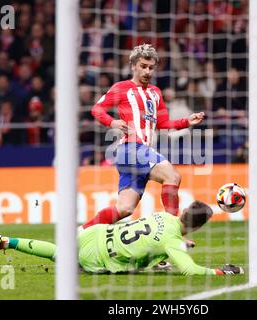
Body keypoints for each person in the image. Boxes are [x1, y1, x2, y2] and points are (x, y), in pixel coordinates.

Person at [85, 43, 205, 233]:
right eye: (143, 66)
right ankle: (171, 234)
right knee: (172, 176)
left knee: (124, 209)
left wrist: (186, 121)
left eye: (151, 67)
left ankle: (82, 232)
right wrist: (112, 122)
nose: (147, 71)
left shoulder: (155, 93)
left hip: (134, 156)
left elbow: (164, 124)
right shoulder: (122, 87)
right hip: (131, 149)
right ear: (133, 65)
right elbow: (97, 109)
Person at [0, 201, 243, 276]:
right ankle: (6, 241)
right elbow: (189, 270)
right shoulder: (172, 242)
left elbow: (153, 237)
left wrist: (178, 245)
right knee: (61, 257)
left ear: (183, 210)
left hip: (96, 232)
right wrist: (222, 271)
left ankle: (7, 241)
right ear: (196, 229)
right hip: (99, 257)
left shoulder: (162, 216)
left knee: (59, 252)